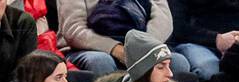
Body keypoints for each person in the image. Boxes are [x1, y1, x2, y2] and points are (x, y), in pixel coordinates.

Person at [58, 0, 190, 76]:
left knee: (178, 62)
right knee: (100, 61)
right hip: (90, 48)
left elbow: (164, 20)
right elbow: (73, 29)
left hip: (142, 44)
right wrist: (115, 49)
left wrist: (141, 46)